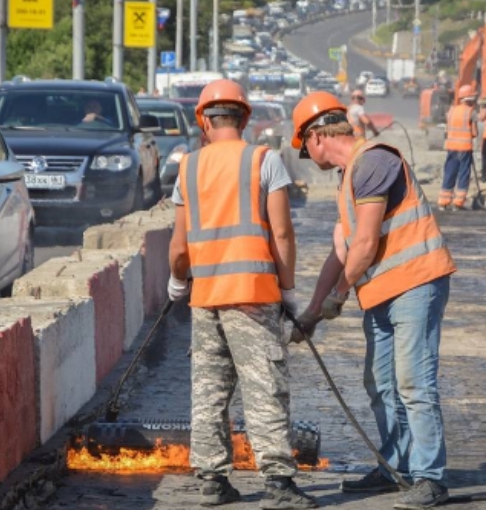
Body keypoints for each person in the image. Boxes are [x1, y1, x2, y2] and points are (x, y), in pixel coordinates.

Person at [288, 91, 457, 510]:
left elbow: (364, 244)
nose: (312, 160)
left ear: (316, 137)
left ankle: (430, 477)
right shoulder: (351, 177)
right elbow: (341, 252)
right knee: (380, 382)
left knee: (413, 382)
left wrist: (339, 296)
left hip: (416, 284)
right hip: (382, 293)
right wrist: (311, 312)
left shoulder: (375, 160)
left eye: (306, 150)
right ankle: (395, 467)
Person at [167, 79, 317, 510]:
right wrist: (287, 290)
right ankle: (277, 485)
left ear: (204, 119)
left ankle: (212, 480)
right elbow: (283, 233)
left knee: (210, 387)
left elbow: (179, 247)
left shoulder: (188, 167)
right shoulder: (262, 160)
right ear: (244, 117)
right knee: (264, 385)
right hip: (252, 294)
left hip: (205, 296)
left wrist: (178, 282)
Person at [438, 85, 478, 210]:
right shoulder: (471, 112)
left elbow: (447, 129)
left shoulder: (451, 111)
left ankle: (443, 202)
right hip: (465, 148)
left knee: (450, 172)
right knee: (463, 174)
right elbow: (475, 133)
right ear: (469, 98)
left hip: (451, 147)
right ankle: (458, 203)